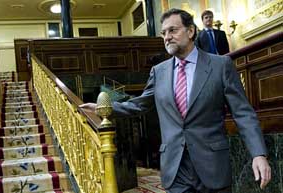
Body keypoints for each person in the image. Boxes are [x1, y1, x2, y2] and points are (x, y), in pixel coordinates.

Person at [80, 8, 271, 193]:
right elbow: (140, 104)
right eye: (163, 33)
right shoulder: (159, 71)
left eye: (173, 30)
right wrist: (105, 108)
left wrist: (258, 154)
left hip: (212, 165)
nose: (166, 37)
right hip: (175, 166)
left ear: (190, 31)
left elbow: (243, 113)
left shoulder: (220, 65)